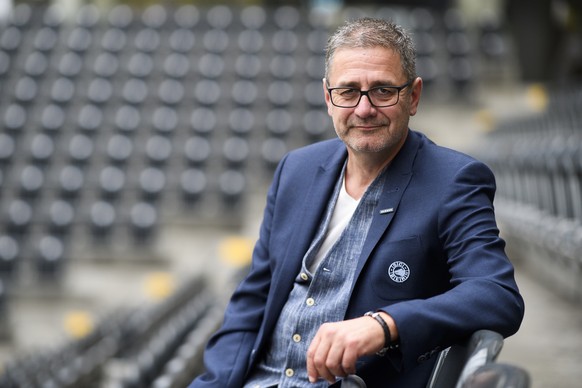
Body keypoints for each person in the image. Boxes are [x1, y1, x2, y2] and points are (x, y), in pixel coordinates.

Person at [189, 17, 524, 388]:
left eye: (382, 91)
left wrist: (385, 324)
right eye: (348, 92)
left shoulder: (455, 180)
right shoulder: (295, 170)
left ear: (412, 97)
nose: (364, 109)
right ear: (327, 97)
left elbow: (497, 296)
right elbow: (252, 302)